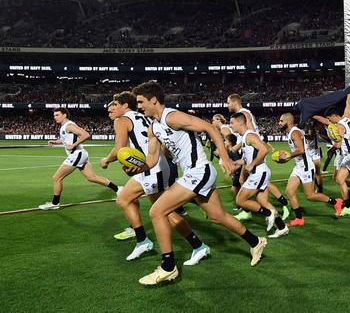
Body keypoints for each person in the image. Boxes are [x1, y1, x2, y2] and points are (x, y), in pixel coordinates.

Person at [127, 82, 267, 285]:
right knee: (218, 217)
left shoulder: (172, 117)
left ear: (153, 100)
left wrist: (226, 158)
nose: (138, 106)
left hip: (199, 171)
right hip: (195, 174)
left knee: (157, 212)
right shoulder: (153, 128)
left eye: (141, 102)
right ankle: (256, 242)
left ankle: (168, 267)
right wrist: (136, 168)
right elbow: (151, 160)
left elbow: (210, 128)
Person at [100, 92, 211, 264]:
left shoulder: (121, 120)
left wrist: (106, 160)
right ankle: (143, 240)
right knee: (123, 199)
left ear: (125, 106)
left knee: (164, 212)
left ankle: (197, 246)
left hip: (152, 168)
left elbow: (120, 149)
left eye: (115, 105)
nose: (112, 109)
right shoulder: (142, 117)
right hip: (153, 166)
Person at [39, 108, 121, 210]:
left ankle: (55, 204)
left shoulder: (69, 125)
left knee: (57, 178)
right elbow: (66, 140)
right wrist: (55, 142)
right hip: (80, 154)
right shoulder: (65, 126)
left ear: (64, 115)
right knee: (92, 177)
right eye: (54, 115)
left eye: (57, 115)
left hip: (76, 154)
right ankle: (118, 189)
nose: (54, 117)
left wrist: (73, 145)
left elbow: (86, 135)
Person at [227, 95, 290, 220]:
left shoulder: (244, 114)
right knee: (248, 182)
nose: (227, 105)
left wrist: (238, 147)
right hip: (249, 152)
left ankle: (282, 205)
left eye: (228, 102)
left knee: (260, 181)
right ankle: (269, 214)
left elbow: (251, 134)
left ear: (234, 102)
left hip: (254, 152)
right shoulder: (243, 115)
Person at [277, 113, 343, 226]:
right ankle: (299, 219)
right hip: (299, 167)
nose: (279, 123)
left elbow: (301, 150)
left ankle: (336, 202)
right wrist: (288, 156)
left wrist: (288, 156)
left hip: (306, 167)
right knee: (289, 191)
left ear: (288, 121)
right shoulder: (292, 132)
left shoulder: (295, 132)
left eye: (281, 121)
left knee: (310, 195)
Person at [313, 94, 350, 217]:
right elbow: (348, 104)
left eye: (329, 118)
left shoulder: (338, 126)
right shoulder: (347, 116)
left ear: (333, 116)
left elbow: (338, 144)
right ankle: (349, 204)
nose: (329, 121)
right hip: (349, 155)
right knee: (340, 179)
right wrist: (349, 93)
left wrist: (331, 149)